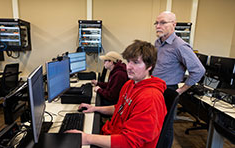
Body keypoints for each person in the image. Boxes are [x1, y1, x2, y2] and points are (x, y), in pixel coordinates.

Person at [66, 40, 167, 148]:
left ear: (150, 66)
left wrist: (87, 138)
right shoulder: (130, 84)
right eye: (128, 61)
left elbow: (129, 142)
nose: (129, 67)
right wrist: (94, 108)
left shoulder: (150, 98)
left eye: (136, 62)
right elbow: (120, 108)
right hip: (112, 134)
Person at [152, 11, 206, 148]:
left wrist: (182, 90)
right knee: (154, 123)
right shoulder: (157, 43)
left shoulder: (180, 45)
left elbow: (199, 70)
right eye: (156, 23)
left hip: (168, 89)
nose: (158, 26)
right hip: (154, 88)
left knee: (165, 125)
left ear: (174, 25)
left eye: (163, 22)